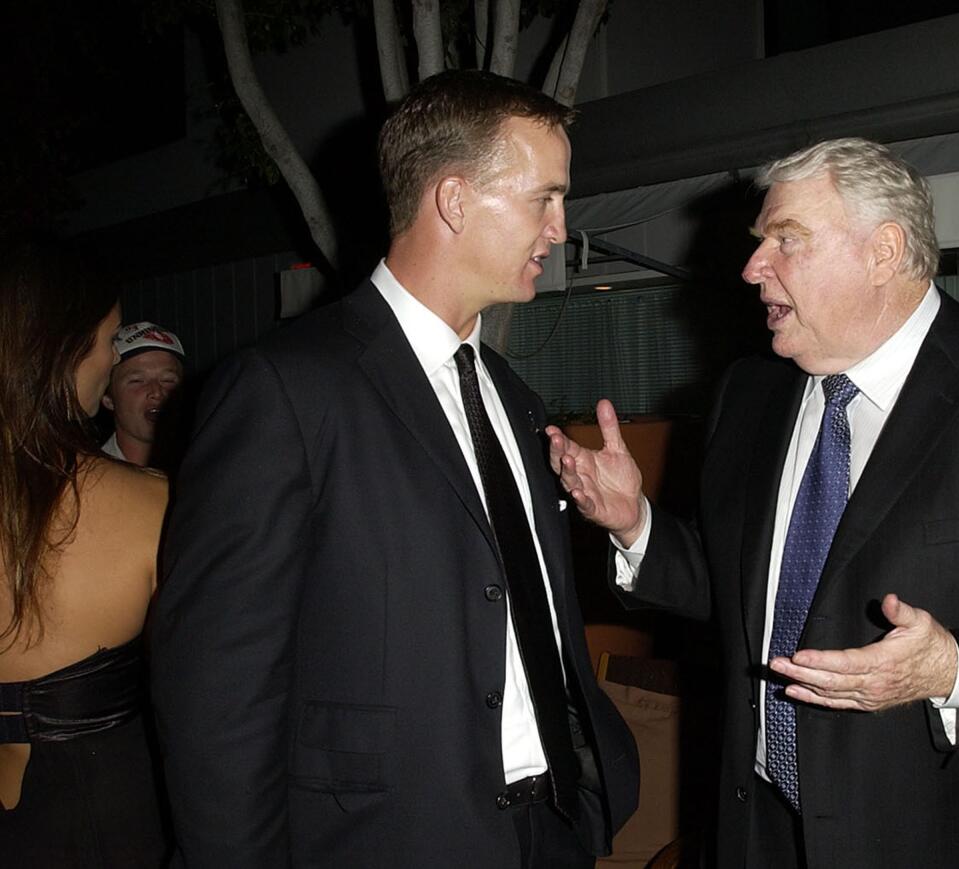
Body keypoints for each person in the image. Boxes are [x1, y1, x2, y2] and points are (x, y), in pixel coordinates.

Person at [547, 138, 959, 869]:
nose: (753, 268)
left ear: (884, 252)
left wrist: (953, 669)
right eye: (759, 244)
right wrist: (636, 525)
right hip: (762, 831)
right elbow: (743, 597)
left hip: (953, 840)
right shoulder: (750, 395)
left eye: (787, 240)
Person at [150, 70, 638, 868]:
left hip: (547, 831)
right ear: (452, 199)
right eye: (542, 198)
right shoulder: (286, 389)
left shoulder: (514, 398)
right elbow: (217, 696)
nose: (560, 226)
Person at [0, 238, 171, 864]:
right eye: (110, 339)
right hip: (107, 818)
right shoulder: (151, 505)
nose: (109, 358)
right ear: (67, 349)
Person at [101, 321, 186, 468]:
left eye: (168, 380)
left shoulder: (209, 470)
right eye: (137, 381)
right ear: (108, 399)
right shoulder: (87, 480)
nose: (156, 392)